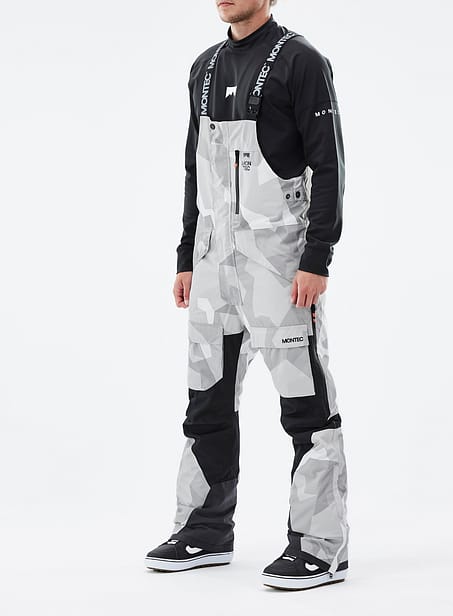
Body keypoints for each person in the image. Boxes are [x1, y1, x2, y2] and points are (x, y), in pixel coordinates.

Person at [145, 0, 349, 590]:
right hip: (214, 267)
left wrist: (317, 257)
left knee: (305, 406)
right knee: (206, 402)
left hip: (279, 266)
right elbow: (195, 168)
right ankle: (205, 530)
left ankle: (320, 546)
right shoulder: (204, 66)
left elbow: (329, 164)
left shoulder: (301, 61)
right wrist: (187, 255)